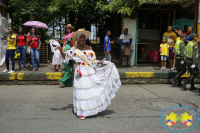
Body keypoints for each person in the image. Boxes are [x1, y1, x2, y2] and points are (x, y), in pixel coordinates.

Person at [59, 29, 121, 119]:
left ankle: (90, 110)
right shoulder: (73, 49)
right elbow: (66, 57)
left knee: (89, 91)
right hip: (80, 72)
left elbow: (93, 61)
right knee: (81, 92)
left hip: (89, 71)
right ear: (78, 38)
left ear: (85, 39)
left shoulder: (89, 48)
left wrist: (105, 62)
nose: (82, 39)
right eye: (81, 37)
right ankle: (81, 112)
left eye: (84, 38)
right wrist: (60, 49)